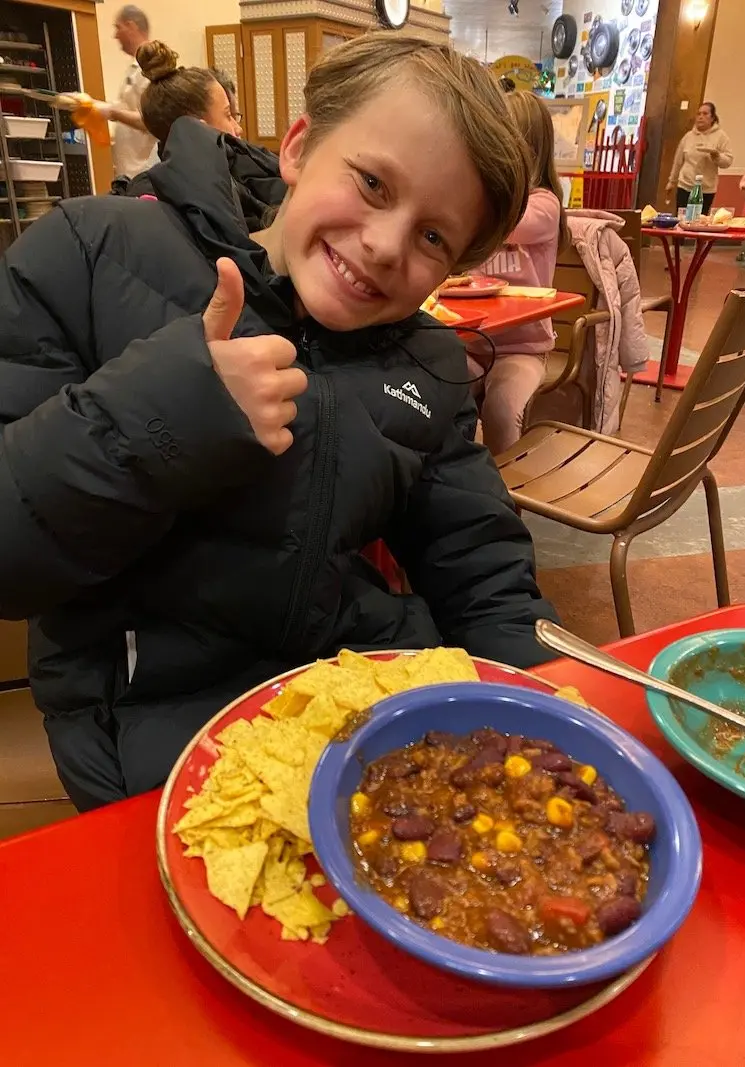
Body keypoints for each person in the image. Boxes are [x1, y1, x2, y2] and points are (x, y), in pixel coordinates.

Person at [0, 32, 558, 812]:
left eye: (435, 237)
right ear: (298, 146)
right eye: (371, 183)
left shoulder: (427, 363)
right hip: (154, 740)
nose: (386, 245)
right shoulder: (92, 250)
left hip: (358, 723)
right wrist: (165, 411)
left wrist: (553, 707)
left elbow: (480, 566)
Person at [466, 90, 567, 455]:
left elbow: (507, 223)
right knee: (437, 393)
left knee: (502, 408)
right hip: (472, 343)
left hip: (523, 348)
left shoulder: (544, 204)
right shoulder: (483, 203)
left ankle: (506, 500)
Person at [119, 43, 286, 232]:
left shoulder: (232, 171)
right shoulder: (174, 195)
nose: (237, 127)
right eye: (228, 115)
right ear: (197, 127)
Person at [102, 6, 159, 178]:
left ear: (131, 26)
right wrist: (87, 104)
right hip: (130, 173)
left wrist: (113, 113)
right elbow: (126, 107)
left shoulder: (150, 67)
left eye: (118, 27)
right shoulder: (134, 68)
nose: (115, 35)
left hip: (145, 173)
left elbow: (151, 120)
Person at [666, 101, 732, 215]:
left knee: (699, 221)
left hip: (706, 189)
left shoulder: (721, 137)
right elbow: (678, 161)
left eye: (705, 114)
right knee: (681, 220)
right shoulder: (688, 137)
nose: (701, 117)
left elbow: (728, 161)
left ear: (712, 118)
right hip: (685, 185)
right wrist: (671, 181)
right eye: (699, 114)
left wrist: (717, 156)